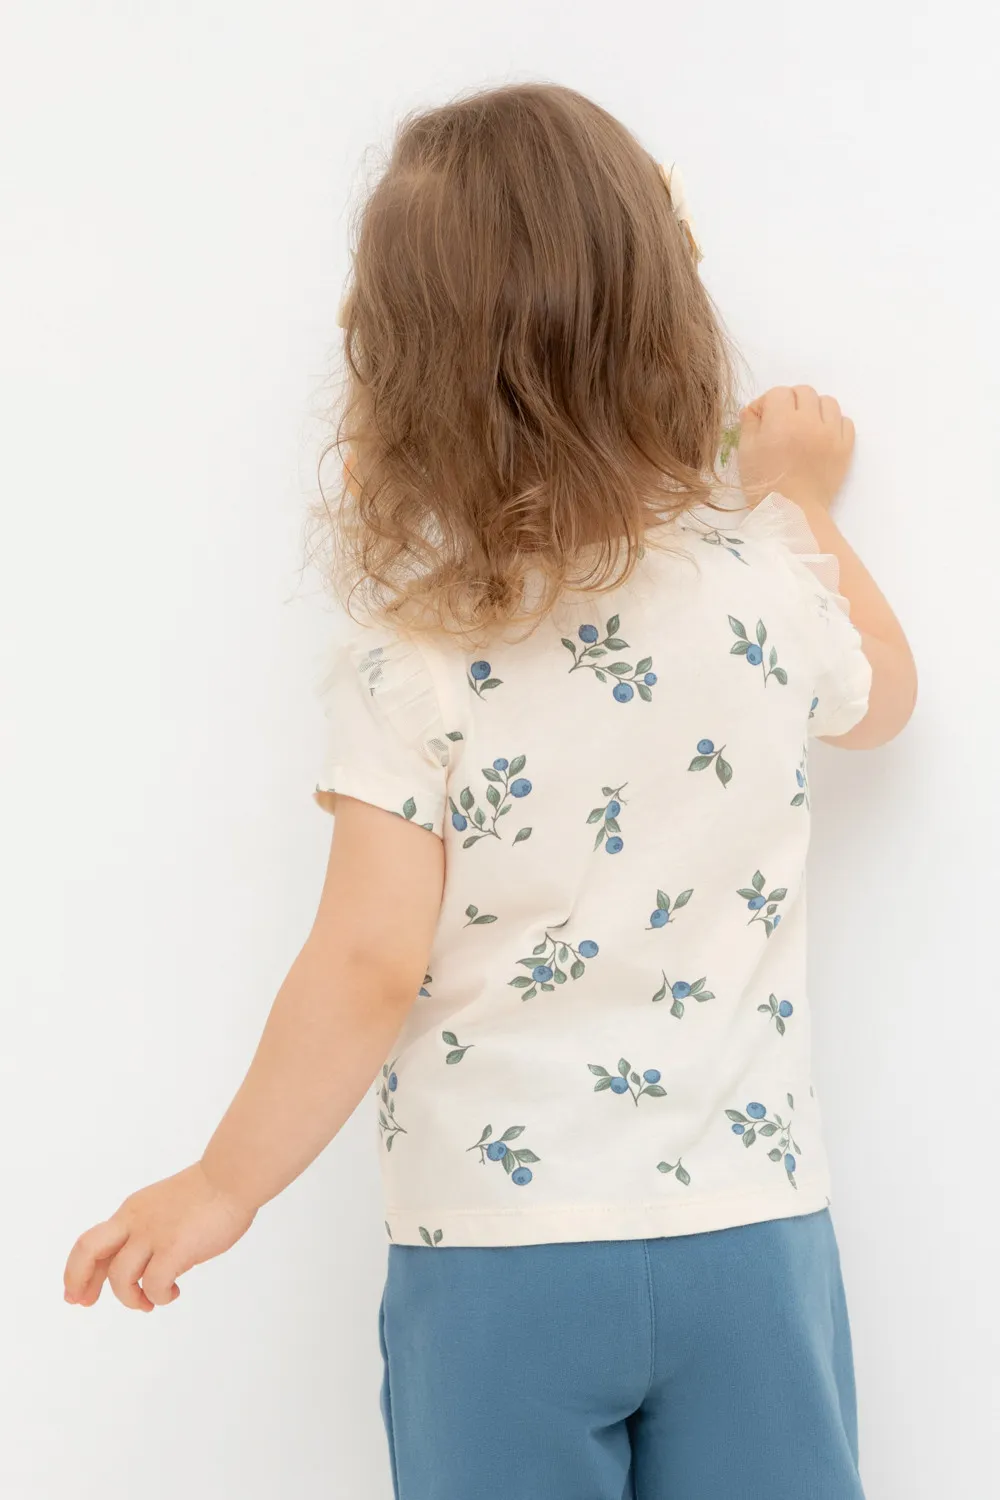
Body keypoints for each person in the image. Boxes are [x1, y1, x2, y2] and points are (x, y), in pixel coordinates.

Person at [63, 83, 916, 1499]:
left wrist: (223, 1184)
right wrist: (800, 500)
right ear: (664, 323)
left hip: (503, 1259)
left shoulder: (412, 666)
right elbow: (883, 701)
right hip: (750, 1228)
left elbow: (366, 962)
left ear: (404, 382)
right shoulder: (764, 589)